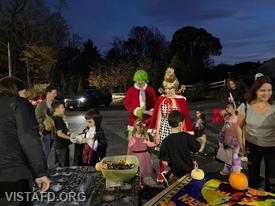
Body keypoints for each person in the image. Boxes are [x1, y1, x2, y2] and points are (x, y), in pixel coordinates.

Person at [0, 77, 50, 205]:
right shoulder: (19, 104)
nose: (25, 95)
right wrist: (40, 172)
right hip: (14, 173)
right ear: (16, 91)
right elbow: (28, 139)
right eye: (24, 92)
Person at [149, 68, 193, 182]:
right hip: (164, 129)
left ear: (176, 88)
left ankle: (175, 172)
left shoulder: (181, 100)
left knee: (176, 152)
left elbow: (184, 119)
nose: (169, 91)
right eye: (167, 88)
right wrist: (157, 133)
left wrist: (184, 135)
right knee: (163, 152)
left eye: (171, 88)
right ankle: (161, 171)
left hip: (177, 130)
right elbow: (158, 117)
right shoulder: (161, 99)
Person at [236, 75, 275, 192]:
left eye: (269, 90)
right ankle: (253, 197)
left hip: (272, 147)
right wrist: (241, 145)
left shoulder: (274, 107)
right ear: (255, 90)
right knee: (253, 176)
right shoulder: (245, 106)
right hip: (252, 145)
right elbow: (238, 126)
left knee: (272, 179)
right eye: (263, 90)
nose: (266, 93)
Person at [159, 110, 200, 184]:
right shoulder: (187, 137)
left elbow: (164, 162)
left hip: (176, 173)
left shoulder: (165, 141)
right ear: (180, 123)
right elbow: (197, 148)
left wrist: (173, 164)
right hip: (190, 172)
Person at [127, 118, 156, 187]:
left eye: (141, 126)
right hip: (135, 156)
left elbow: (148, 144)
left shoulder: (145, 136)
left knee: (142, 170)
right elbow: (130, 148)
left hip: (143, 155)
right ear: (135, 127)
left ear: (143, 128)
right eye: (138, 126)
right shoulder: (133, 137)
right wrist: (128, 157)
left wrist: (155, 143)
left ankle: (141, 182)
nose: (140, 128)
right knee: (136, 169)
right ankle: (136, 182)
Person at [218, 102, 241, 175]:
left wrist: (234, 142)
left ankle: (235, 171)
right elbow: (224, 128)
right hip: (226, 139)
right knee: (227, 155)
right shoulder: (228, 117)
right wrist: (221, 136)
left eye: (228, 107)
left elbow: (237, 131)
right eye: (226, 107)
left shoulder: (236, 118)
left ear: (234, 108)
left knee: (234, 156)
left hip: (234, 141)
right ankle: (227, 170)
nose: (226, 109)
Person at [35, 86, 57, 159]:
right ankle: (42, 166)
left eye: (56, 93)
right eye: (54, 93)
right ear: (48, 93)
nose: (55, 95)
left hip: (53, 131)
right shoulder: (41, 105)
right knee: (46, 150)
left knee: (50, 149)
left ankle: (44, 165)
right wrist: (45, 121)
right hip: (45, 131)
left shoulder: (54, 104)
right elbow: (37, 119)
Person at [52, 101, 75, 167]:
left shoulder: (58, 118)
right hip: (61, 146)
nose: (64, 108)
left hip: (61, 145)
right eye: (62, 107)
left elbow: (64, 130)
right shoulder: (57, 119)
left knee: (64, 164)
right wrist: (69, 138)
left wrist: (65, 122)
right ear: (56, 109)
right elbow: (59, 133)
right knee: (63, 166)